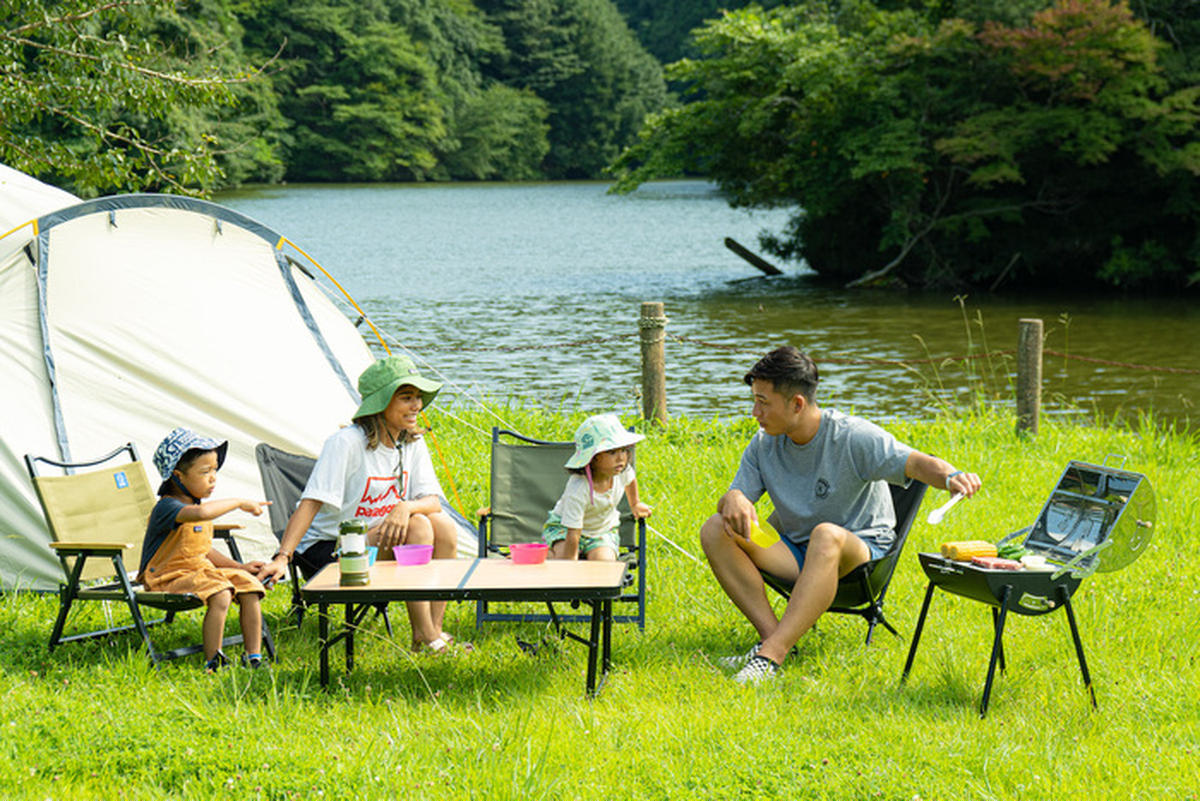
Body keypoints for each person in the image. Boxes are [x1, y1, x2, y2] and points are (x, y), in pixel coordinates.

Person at [700, 346, 982, 684]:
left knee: (826, 534)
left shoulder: (852, 436)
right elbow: (738, 497)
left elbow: (916, 462)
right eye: (754, 400)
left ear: (797, 404)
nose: (754, 412)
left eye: (763, 402)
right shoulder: (764, 444)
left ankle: (769, 656)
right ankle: (775, 640)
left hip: (860, 557)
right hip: (795, 553)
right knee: (716, 528)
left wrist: (951, 477)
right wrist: (732, 497)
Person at [257, 355, 460, 653]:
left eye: (418, 397)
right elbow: (310, 503)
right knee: (419, 528)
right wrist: (283, 557)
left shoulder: (411, 442)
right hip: (329, 548)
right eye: (406, 397)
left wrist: (404, 507)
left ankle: (433, 630)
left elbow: (433, 502)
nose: (417, 405)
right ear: (381, 403)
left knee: (442, 526)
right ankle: (427, 638)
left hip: (376, 538)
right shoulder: (346, 443)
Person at [140, 427, 271, 672]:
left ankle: (253, 656)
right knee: (220, 592)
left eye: (214, 471)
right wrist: (240, 502)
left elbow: (204, 551)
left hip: (200, 573)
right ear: (177, 476)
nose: (213, 478)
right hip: (167, 577)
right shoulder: (168, 507)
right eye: (205, 472)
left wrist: (240, 568)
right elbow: (201, 513)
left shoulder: (199, 507)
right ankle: (214, 660)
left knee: (249, 586)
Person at [543, 413, 652, 561]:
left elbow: (631, 480)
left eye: (624, 450)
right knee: (564, 558)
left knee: (604, 562)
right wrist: (569, 566)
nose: (621, 457)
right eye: (612, 452)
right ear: (593, 458)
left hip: (602, 531)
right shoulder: (579, 488)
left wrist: (635, 503)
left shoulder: (622, 471)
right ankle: (545, 556)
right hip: (566, 529)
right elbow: (573, 533)